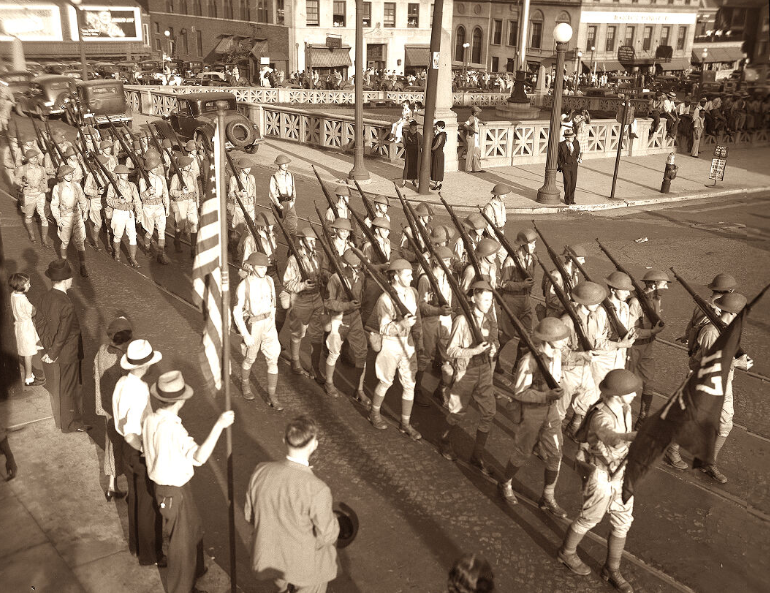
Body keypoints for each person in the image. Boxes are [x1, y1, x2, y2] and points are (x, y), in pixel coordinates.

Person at [144, 371, 235, 593]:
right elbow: (200, 457)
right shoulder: (175, 430)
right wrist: (220, 425)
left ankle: (194, 571)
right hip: (174, 490)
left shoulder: (151, 420)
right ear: (181, 400)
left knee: (193, 529)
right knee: (181, 546)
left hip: (167, 487)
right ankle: (180, 588)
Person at [557, 369, 640, 593]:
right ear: (617, 394)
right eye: (631, 392)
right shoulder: (600, 416)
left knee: (623, 520)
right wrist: (631, 437)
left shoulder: (625, 408)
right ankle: (567, 552)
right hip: (601, 475)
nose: (634, 395)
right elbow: (611, 438)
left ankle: (612, 569)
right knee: (589, 518)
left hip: (621, 473)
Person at [245, 415, 339, 593]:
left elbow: (250, 515)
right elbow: (327, 535)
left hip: (272, 560)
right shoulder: (317, 489)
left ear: (284, 440)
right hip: (305, 568)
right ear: (314, 445)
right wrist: (334, 520)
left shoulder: (261, 471)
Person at [666, 293, 752, 483]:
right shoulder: (711, 332)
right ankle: (671, 450)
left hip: (724, 383)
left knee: (725, 423)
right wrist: (737, 364)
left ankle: (708, 462)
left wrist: (740, 359)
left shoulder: (729, 328)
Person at [499, 317, 569, 517]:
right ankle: (505, 483)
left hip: (551, 410)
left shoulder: (556, 354)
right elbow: (520, 393)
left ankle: (548, 496)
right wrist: (546, 395)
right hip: (532, 412)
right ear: (548, 339)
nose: (564, 341)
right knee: (523, 452)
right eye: (560, 337)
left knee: (556, 454)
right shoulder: (529, 361)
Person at [112, 339, 164, 566]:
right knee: (147, 506)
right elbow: (132, 432)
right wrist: (145, 450)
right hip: (136, 448)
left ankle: (135, 545)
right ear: (145, 365)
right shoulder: (140, 390)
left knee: (134, 500)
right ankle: (151, 554)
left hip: (125, 452)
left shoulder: (122, 383)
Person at [439, 281, 497, 473]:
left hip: (485, 370)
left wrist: (493, 349)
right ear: (474, 298)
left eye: (491, 299)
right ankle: (445, 440)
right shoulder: (462, 321)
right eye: (485, 299)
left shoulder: (490, 319)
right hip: (466, 371)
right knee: (457, 413)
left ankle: (477, 455)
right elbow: (451, 350)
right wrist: (473, 351)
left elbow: (494, 340)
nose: (489, 303)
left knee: (489, 412)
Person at [369, 259, 423, 440]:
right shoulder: (385, 299)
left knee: (410, 384)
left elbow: (417, 318)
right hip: (391, 343)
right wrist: (402, 324)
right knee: (386, 381)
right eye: (407, 274)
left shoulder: (412, 293)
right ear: (396, 275)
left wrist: (418, 339)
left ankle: (405, 423)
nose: (411, 277)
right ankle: (374, 413)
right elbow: (384, 328)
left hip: (408, 343)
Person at [35, 259, 89, 433]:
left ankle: (72, 420)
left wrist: (48, 345)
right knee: (70, 387)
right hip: (69, 352)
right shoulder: (67, 304)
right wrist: (53, 353)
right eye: (70, 278)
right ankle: (71, 423)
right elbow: (64, 333)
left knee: (68, 385)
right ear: (65, 280)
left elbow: (40, 323)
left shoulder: (44, 297)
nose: (72, 280)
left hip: (59, 350)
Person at [234, 252, 283, 410]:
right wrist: (245, 334)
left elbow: (273, 304)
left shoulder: (269, 280)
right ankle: (245, 384)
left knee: (273, 359)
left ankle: (272, 395)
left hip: (268, 323)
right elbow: (236, 312)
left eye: (265, 267)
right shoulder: (244, 286)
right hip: (254, 325)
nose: (264, 270)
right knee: (250, 359)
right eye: (260, 267)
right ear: (251, 267)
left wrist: (272, 324)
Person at [94, 315, 132, 502]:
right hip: (119, 410)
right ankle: (125, 488)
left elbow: (95, 375)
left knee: (111, 445)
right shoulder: (122, 359)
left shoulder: (101, 351)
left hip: (105, 407)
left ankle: (111, 486)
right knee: (126, 447)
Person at [323, 249, 368, 402]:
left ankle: (359, 389)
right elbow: (328, 302)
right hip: (339, 318)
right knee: (334, 352)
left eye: (358, 266)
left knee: (362, 353)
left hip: (355, 318)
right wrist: (347, 305)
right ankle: (329, 382)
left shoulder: (361, 276)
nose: (358, 269)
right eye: (354, 266)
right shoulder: (336, 279)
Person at [283, 227, 326, 380]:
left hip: (317, 298)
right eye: (309, 240)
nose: (313, 243)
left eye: (314, 240)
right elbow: (287, 283)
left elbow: (321, 272)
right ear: (301, 241)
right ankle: (295, 361)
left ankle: (315, 368)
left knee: (317, 334)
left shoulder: (318, 256)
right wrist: (302, 286)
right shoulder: (294, 259)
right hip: (301, 299)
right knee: (298, 332)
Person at [627, 271, 667, 430]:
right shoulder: (636, 302)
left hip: (648, 346)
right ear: (653, 284)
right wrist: (651, 332)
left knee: (649, 383)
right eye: (663, 284)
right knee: (626, 382)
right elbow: (630, 330)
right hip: (633, 347)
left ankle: (642, 417)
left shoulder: (657, 300)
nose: (666, 288)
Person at [416, 246, 455, 407]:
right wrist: (438, 310)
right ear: (435, 261)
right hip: (430, 321)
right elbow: (421, 305)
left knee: (449, 357)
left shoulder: (449, 276)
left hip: (445, 321)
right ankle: (416, 389)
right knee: (423, 357)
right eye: (444, 261)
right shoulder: (425, 278)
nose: (447, 264)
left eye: (448, 261)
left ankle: (441, 389)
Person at [498, 229, 537, 372]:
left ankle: (518, 366)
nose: (534, 246)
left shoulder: (532, 259)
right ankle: (494, 359)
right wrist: (522, 285)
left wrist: (527, 289)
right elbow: (503, 283)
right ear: (523, 245)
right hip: (511, 300)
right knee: (507, 334)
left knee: (527, 335)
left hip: (525, 299)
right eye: (532, 244)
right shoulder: (510, 260)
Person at [9, 273, 45, 387]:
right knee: (29, 354)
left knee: (26, 349)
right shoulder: (23, 300)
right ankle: (30, 377)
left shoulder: (13, 295)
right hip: (26, 327)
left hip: (19, 326)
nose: (30, 285)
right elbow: (32, 311)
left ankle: (31, 374)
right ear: (21, 286)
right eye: (28, 284)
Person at [107, 164, 142, 267]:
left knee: (132, 236)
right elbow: (108, 200)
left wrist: (139, 213)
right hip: (118, 212)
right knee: (118, 234)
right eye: (123, 173)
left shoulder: (132, 185)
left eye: (127, 173)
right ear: (118, 175)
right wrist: (118, 201)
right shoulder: (112, 186)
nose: (126, 175)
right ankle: (117, 254)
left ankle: (133, 259)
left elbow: (137, 200)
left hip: (129, 213)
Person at [15, 149, 51, 247]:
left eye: (35, 157)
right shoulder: (23, 168)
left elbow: (44, 180)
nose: (34, 159)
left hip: (40, 194)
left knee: (43, 216)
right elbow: (17, 178)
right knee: (28, 215)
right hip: (29, 194)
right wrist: (21, 183)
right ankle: (32, 235)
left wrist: (45, 188)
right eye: (31, 158)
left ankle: (44, 239)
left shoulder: (42, 169)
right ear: (28, 159)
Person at [139, 153, 171, 265]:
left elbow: (165, 193)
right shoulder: (143, 180)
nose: (158, 169)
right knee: (150, 231)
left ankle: (160, 255)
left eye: (158, 167)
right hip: (148, 207)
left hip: (159, 206)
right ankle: (147, 248)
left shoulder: (161, 179)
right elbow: (141, 197)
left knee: (162, 231)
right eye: (155, 167)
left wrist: (167, 206)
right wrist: (148, 192)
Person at [169, 155, 199, 259]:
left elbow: (196, 190)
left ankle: (193, 248)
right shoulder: (176, 177)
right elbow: (172, 192)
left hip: (191, 201)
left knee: (194, 223)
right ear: (183, 167)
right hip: (181, 202)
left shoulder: (192, 175)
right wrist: (181, 192)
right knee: (180, 225)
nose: (190, 166)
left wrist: (197, 203)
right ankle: (176, 241)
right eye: (188, 164)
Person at [268, 155, 298, 241]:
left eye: (287, 163)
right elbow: (272, 193)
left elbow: (293, 189)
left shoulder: (290, 175)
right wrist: (278, 205)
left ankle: (291, 249)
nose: (286, 165)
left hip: (290, 204)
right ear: (279, 165)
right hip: (279, 204)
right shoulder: (274, 177)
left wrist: (293, 201)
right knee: (276, 227)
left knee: (293, 227)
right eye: (283, 164)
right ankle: (272, 245)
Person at [557, 128, 581, 205]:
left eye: (573, 137)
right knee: (567, 182)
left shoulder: (576, 142)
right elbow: (558, 157)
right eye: (571, 137)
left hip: (574, 165)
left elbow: (577, 152)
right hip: (566, 166)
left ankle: (572, 198)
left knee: (573, 182)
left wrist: (576, 160)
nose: (572, 138)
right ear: (567, 138)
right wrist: (561, 165)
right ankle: (567, 199)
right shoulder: (561, 145)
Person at [463, 106, 484, 173]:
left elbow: (478, 120)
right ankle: (468, 168)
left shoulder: (474, 118)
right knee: (470, 153)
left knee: (476, 152)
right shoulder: (471, 118)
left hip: (475, 137)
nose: (479, 113)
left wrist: (483, 122)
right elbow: (465, 125)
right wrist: (472, 130)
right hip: (472, 136)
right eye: (478, 112)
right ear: (475, 113)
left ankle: (477, 168)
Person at [402, 120, 422, 188]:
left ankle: (414, 180)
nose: (415, 127)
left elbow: (421, 143)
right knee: (407, 166)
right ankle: (404, 181)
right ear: (411, 127)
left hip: (416, 152)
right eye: (414, 126)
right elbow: (404, 143)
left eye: (415, 126)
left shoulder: (418, 134)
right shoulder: (406, 134)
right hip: (409, 151)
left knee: (416, 166)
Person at [430, 120, 446, 190]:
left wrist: (431, 149)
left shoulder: (441, 135)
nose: (436, 127)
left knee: (437, 168)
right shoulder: (443, 134)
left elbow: (437, 145)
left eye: (437, 126)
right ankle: (437, 184)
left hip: (437, 153)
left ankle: (437, 184)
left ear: (440, 126)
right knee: (438, 169)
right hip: (439, 153)